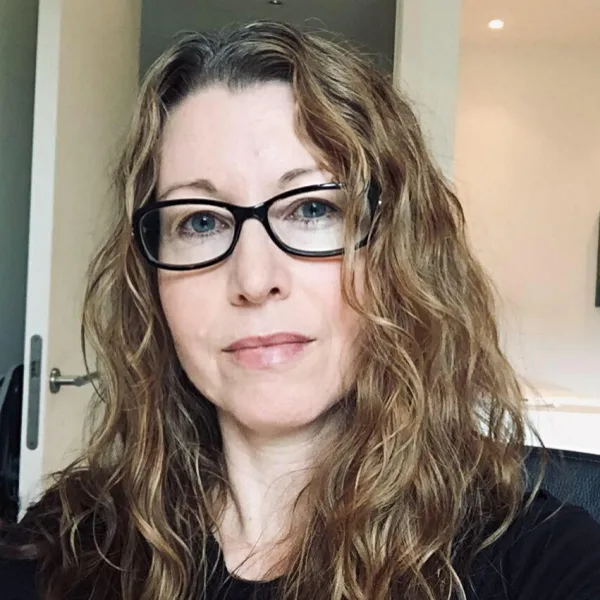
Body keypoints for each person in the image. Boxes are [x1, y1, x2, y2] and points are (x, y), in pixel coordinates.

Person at [1, 20, 600, 600]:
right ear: (151, 278)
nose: (254, 280)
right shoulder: (69, 544)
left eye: (313, 209)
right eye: (201, 221)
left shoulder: (534, 558)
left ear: (398, 250)